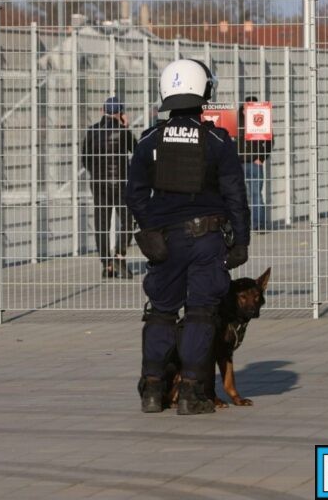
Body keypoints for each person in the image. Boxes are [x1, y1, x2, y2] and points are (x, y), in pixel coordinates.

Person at [127, 58, 250, 415]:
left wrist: (150, 228)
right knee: (200, 313)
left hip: (164, 241)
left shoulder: (149, 139)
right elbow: (235, 196)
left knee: (160, 313)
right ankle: (192, 394)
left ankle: (152, 390)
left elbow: (134, 194)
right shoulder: (217, 140)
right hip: (206, 240)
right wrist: (240, 241)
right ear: (204, 92)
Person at [81, 96, 138, 279]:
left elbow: (85, 159)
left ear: (102, 110)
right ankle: (119, 255)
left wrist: (97, 174)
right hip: (121, 184)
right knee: (128, 221)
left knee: (102, 225)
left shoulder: (92, 131)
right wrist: (126, 127)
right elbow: (136, 151)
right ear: (121, 113)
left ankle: (107, 265)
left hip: (99, 185)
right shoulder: (123, 131)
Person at [237, 96, 274, 232]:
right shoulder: (236, 120)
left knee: (255, 195)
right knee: (238, 195)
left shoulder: (261, 119)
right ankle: (241, 225)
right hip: (238, 163)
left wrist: (261, 158)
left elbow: (270, 141)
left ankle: (258, 225)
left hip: (254, 163)